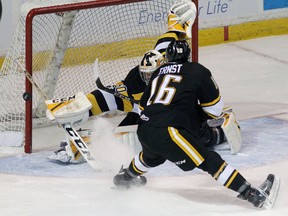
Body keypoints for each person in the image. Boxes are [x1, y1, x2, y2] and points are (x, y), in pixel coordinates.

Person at [47, 0, 236, 164]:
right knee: (129, 138)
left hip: (177, 112)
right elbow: (112, 97)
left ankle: (217, 133)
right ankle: (84, 145)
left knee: (197, 140)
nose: (147, 78)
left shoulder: (175, 63)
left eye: (150, 75)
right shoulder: (137, 79)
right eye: (144, 74)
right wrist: (82, 107)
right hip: (149, 113)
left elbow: (175, 28)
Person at [112, 40, 280, 209]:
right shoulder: (198, 71)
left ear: (168, 57)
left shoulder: (157, 73)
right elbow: (214, 111)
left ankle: (125, 178)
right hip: (169, 131)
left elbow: (142, 108)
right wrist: (193, 113)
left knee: (151, 157)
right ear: (188, 55)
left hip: (145, 128)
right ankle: (253, 195)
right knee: (209, 160)